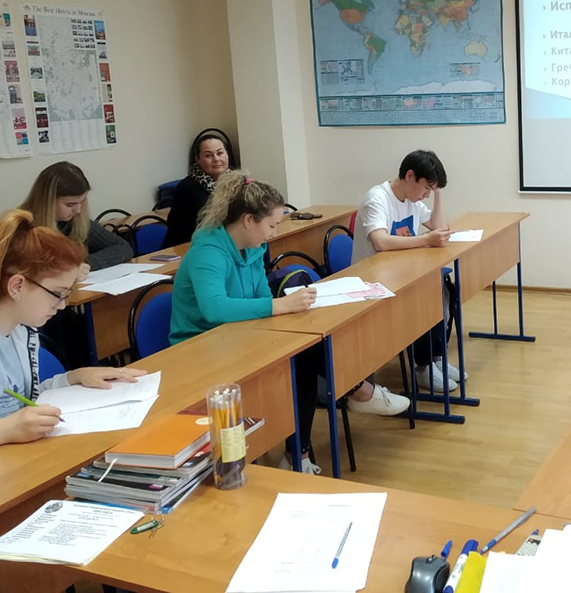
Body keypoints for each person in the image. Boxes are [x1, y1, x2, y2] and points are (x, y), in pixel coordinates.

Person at [168, 171, 406, 475]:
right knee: (301, 359)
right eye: (271, 225)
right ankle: (357, 393)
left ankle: (299, 454)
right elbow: (215, 309)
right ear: (248, 220)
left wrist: (277, 309)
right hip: (199, 348)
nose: (274, 232)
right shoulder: (208, 252)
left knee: (302, 352)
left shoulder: (253, 248)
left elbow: (260, 295)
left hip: (237, 334)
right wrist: (279, 306)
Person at [0, 210, 145, 452]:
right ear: (17, 286)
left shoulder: (20, 331)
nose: (63, 305)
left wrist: (72, 378)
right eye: (57, 293)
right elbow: (5, 421)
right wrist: (0, 431)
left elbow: (19, 400)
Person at [351, 149, 465, 392]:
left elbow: (438, 226)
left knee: (439, 289)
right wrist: (426, 240)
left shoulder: (412, 201)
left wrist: (438, 193)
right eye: (426, 188)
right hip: (373, 281)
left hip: (401, 274)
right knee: (423, 297)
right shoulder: (377, 198)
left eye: (431, 190)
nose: (426, 195)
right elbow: (380, 241)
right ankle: (424, 367)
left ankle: (436, 359)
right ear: (410, 176)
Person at [20, 161, 133, 274]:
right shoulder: (23, 227)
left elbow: (122, 247)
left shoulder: (73, 221)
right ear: (48, 201)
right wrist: (66, 271)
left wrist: (85, 264)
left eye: (82, 202)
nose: (78, 210)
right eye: (70, 205)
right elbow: (25, 271)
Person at [161, 131, 233, 248]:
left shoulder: (236, 182)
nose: (216, 159)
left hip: (222, 244)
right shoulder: (188, 187)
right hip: (190, 247)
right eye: (208, 155)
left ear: (227, 155)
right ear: (197, 159)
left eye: (220, 153)